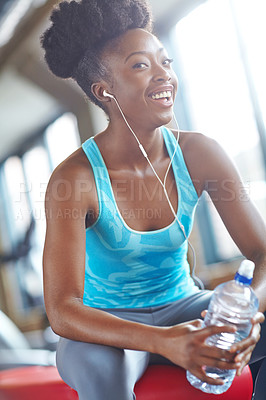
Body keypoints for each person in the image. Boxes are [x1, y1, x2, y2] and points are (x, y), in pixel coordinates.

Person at [41, 0, 266, 399]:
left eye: (166, 62)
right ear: (103, 90)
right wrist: (162, 341)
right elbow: (63, 310)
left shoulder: (201, 154)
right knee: (99, 368)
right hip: (106, 326)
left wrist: (243, 311)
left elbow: (263, 253)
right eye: (141, 65)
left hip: (186, 304)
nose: (164, 75)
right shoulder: (73, 180)